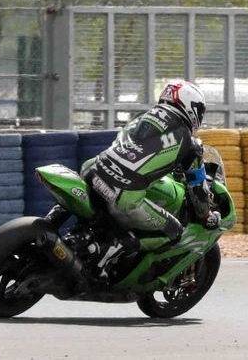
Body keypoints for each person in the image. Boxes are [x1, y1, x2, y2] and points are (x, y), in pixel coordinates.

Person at [80, 79, 221, 269]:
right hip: (124, 194)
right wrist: (206, 216)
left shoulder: (142, 118)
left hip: (92, 170)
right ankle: (117, 246)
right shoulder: (190, 143)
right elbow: (197, 187)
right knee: (174, 231)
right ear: (192, 108)